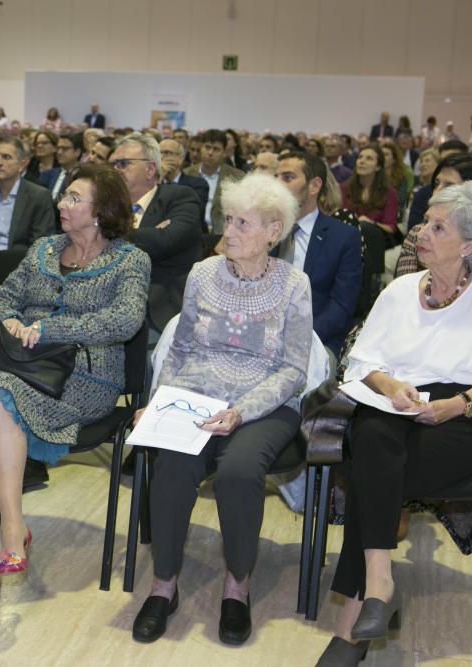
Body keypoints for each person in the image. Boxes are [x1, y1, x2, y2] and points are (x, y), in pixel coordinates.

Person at [315, 182, 472, 666]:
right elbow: (362, 359)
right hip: (401, 405)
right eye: (423, 223)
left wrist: (456, 405)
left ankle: (359, 614)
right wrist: (390, 387)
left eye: (437, 227)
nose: (419, 234)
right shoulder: (399, 290)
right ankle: (377, 585)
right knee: (372, 434)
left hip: (470, 416)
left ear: (470, 244)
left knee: (372, 473)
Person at [0, 162, 150, 610]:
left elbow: (126, 319)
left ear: (102, 208)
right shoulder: (44, 249)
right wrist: (9, 320)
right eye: (63, 196)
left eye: (73, 198)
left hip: (89, 378)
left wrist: (48, 329)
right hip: (26, 370)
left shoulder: (130, 260)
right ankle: (8, 533)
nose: (61, 204)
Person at [131, 172, 312, 645]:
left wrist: (241, 411)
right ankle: (164, 585)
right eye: (227, 220)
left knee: (237, 472)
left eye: (243, 224)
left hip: (266, 404)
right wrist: (158, 404)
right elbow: (181, 348)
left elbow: (294, 370)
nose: (228, 232)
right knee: (172, 462)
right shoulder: (201, 274)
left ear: (274, 231)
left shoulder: (296, 285)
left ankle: (237, 587)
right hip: (196, 395)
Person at [110, 132, 202, 333]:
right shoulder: (107, 204)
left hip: (157, 309)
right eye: (113, 164)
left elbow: (165, 241)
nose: (115, 170)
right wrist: (148, 233)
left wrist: (110, 233)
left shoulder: (179, 197)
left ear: (150, 169)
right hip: (109, 306)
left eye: (123, 164)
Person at [275, 149, 362, 357]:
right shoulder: (262, 231)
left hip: (316, 341)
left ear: (314, 185)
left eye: (288, 178)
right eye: (275, 178)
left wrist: (299, 338)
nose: (277, 185)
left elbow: (341, 307)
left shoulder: (343, 237)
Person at [396, 152, 472, 278]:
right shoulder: (418, 233)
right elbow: (403, 289)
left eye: (450, 187)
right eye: (437, 183)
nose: (436, 192)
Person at [0, 137, 56, 253]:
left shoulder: (39, 196)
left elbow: (41, 243)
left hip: (22, 263)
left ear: (22, 165)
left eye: (6, 157)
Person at [184, 129, 244, 232]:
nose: (210, 153)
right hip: (191, 232)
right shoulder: (186, 174)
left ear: (224, 153)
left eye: (216, 149)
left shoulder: (237, 177)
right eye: (207, 147)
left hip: (223, 233)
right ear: (201, 148)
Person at [340, 144, 398, 243]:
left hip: (373, 241)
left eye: (369, 158)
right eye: (360, 157)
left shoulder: (389, 193)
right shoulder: (343, 188)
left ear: (378, 167)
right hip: (344, 238)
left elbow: (390, 228)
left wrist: (369, 223)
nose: (362, 161)